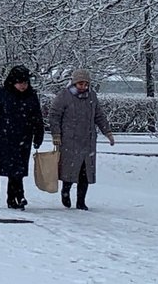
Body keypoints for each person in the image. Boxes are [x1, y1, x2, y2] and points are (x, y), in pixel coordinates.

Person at [48, 69, 115, 211]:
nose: (83, 87)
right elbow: (54, 115)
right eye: (80, 84)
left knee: (85, 173)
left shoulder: (92, 96)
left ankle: (81, 201)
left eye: (86, 84)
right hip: (69, 141)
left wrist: (107, 132)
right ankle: (65, 192)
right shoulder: (64, 96)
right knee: (70, 170)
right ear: (74, 83)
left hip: (88, 141)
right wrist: (56, 134)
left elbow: (99, 115)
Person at [0, 64, 45, 210]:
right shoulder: (2, 94)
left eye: (25, 82)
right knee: (14, 168)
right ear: (13, 81)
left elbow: (37, 117)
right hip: (5, 137)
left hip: (24, 137)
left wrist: (38, 135)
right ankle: (19, 195)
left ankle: (12, 198)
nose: (23, 85)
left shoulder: (31, 95)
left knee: (18, 168)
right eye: (20, 82)